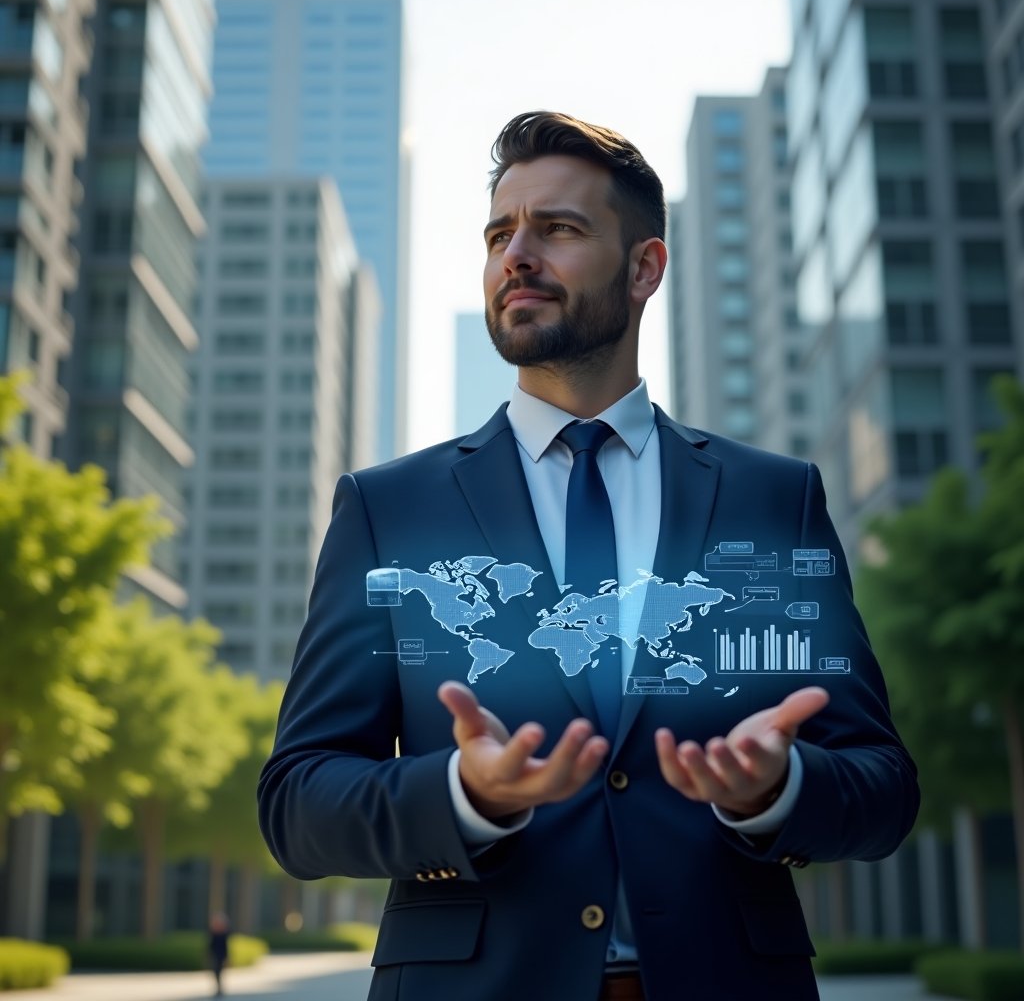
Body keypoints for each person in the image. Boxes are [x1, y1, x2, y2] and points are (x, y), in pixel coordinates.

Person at [258, 111, 919, 1001]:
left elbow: (881, 786)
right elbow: (299, 802)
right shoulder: (389, 509)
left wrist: (775, 789)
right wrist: (465, 794)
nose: (516, 255)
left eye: (557, 229)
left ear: (646, 267)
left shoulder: (773, 498)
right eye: (500, 233)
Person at [207, 912, 230, 996]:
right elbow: (210, 946)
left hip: (221, 956)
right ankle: (218, 988)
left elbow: (226, 947)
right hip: (214, 955)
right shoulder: (213, 933)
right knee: (215, 972)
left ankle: (220, 988)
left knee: (219, 972)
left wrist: (227, 958)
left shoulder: (224, 934)